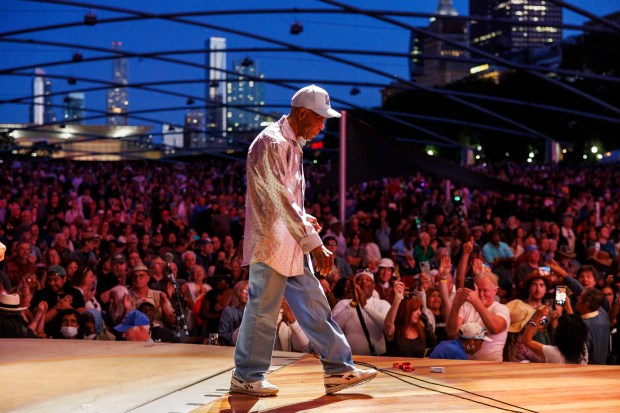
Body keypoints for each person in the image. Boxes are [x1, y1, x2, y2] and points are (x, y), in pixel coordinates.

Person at [231, 85, 376, 397]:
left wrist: (305, 220)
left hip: (290, 243)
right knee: (263, 311)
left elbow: (282, 199)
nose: (323, 124)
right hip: (271, 245)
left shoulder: (291, 143)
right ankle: (246, 376)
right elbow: (278, 197)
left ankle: (338, 369)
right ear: (301, 113)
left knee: (314, 305)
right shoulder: (271, 141)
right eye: (320, 118)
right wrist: (314, 242)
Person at [445, 270, 510, 362]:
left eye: (485, 290)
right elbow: (451, 332)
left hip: (491, 366)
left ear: (495, 290)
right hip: (463, 363)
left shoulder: (501, 309)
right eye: (478, 290)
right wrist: (456, 304)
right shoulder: (466, 306)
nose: (480, 294)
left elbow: (495, 328)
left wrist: (476, 301)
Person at [333, 269, 391, 356]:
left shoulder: (382, 304)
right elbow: (333, 327)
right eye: (360, 279)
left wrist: (365, 306)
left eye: (368, 280)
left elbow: (387, 327)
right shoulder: (344, 303)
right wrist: (353, 303)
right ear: (355, 285)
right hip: (350, 358)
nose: (364, 282)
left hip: (377, 358)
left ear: (373, 285)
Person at [522, 306, 588, 364]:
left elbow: (526, 340)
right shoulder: (583, 350)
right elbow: (574, 328)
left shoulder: (554, 353)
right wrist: (568, 307)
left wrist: (538, 317)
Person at [218, 280, 249, 346]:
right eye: (245, 291)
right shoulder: (229, 311)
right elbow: (222, 336)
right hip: (232, 348)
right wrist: (238, 332)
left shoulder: (256, 312)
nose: (248, 294)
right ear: (237, 293)